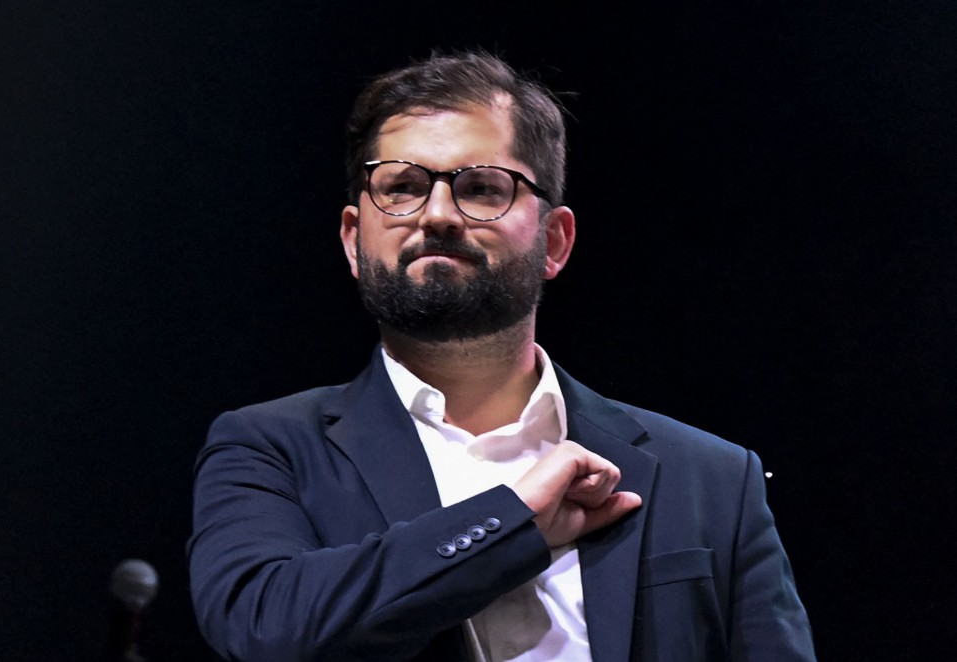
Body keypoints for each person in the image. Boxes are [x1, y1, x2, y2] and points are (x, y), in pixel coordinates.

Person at [187, 50, 815, 661]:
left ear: (555, 241)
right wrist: (513, 521)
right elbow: (266, 630)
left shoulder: (710, 477)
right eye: (402, 187)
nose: (436, 215)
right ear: (354, 241)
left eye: (482, 188)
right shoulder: (270, 449)